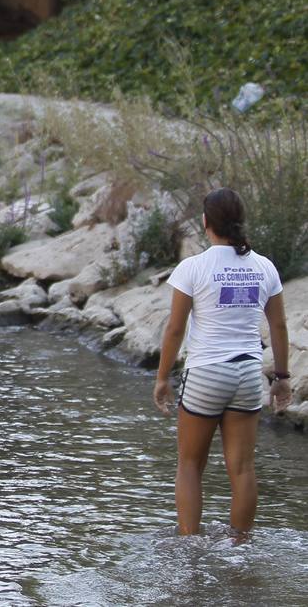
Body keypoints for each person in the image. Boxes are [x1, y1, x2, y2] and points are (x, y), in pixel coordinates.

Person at [153, 188, 291, 538]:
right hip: (247, 373)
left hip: (206, 374)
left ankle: (189, 548)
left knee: (188, 464)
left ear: (205, 223)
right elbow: (278, 325)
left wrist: (162, 377)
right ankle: (240, 549)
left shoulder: (193, 268)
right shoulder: (264, 267)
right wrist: (282, 377)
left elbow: (174, 329)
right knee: (243, 469)